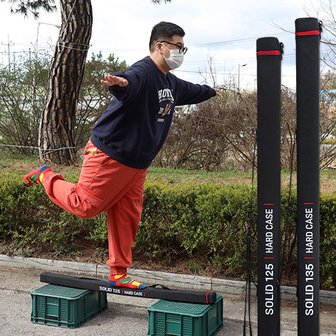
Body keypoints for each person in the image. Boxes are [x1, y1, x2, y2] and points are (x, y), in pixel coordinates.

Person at [23, 21, 218, 289]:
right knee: (85, 205)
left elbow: (192, 91)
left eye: (184, 48)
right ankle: (46, 176)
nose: (181, 53)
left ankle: (118, 273)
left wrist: (213, 91)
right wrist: (119, 83)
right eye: (178, 47)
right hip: (109, 154)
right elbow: (130, 82)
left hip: (136, 165)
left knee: (126, 217)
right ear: (160, 47)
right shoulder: (144, 71)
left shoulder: (170, 82)